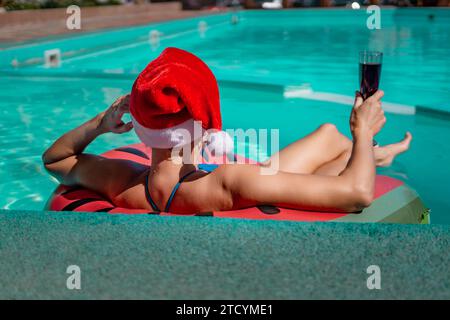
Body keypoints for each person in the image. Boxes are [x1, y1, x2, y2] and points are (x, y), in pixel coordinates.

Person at [42, 48, 411, 214]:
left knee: (328, 133)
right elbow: (358, 193)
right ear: (202, 130)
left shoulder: (122, 181)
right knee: (336, 135)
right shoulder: (230, 180)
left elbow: (55, 158)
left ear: (140, 130)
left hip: (173, 184)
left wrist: (101, 124)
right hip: (238, 188)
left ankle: (372, 154)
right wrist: (362, 131)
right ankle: (372, 152)